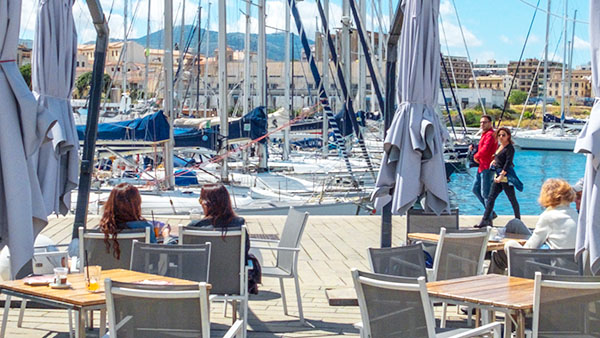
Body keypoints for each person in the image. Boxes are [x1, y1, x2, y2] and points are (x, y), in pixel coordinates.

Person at [487, 178, 578, 274]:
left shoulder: (548, 217)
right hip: (572, 271)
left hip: (552, 273)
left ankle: (490, 280)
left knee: (509, 246)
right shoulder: (575, 215)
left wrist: (509, 245)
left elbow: (529, 249)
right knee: (515, 224)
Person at [98, 183, 170, 259]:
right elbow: (154, 255)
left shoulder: (101, 229)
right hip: (137, 270)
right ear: (137, 204)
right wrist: (165, 238)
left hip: (107, 270)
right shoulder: (145, 228)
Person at [476, 127, 522, 227]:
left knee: (512, 198)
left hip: (504, 177)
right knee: (491, 198)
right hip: (497, 176)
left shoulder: (509, 148)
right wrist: (494, 160)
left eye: (503, 135)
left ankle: (518, 220)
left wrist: (501, 176)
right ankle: (485, 220)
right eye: (499, 135)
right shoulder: (500, 146)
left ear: (508, 136)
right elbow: (498, 157)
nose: (501, 137)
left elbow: (508, 162)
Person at [471, 115, 498, 217]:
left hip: (487, 167)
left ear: (490, 123)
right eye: (481, 122)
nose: (482, 124)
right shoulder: (485, 134)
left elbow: (486, 150)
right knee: (475, 189)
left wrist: (476, 156)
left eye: (485, 122)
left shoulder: (490, 135)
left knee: (485, 194)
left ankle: (488, 217)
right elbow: (482, 148)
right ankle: (490, 212)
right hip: (481, 166)